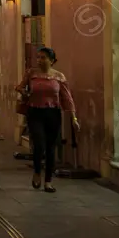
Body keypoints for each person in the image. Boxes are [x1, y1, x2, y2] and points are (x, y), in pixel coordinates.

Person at [17, 47, 78, 192]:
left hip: (52, 113)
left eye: (43, 57)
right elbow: (20, 87)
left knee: (51, 148)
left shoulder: (59, 77)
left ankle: (48, 181)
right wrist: (24, 92)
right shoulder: (31, 74)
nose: (40, 60)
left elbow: (67, 98)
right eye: (38, 57)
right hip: (35, 112)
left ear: (52, 61)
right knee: (39, 144)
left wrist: (74, 118)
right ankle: (37, 172)